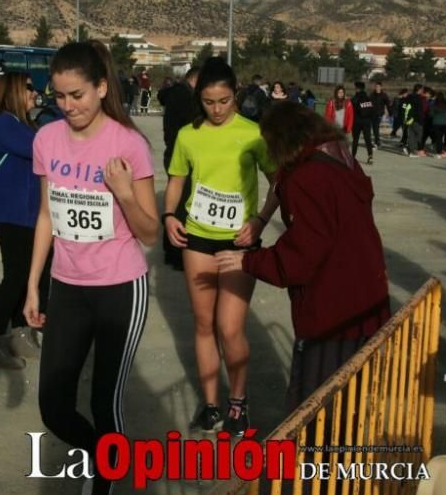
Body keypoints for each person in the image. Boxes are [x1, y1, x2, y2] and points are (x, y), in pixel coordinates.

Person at [24, 41, 158, 495]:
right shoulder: (46, 141)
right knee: (54, 405)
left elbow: (150, 232)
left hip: (122, 288)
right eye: (59, 96)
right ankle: (107, 457)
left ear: (101, 88)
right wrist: (33, 283)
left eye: (77, 94)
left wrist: (123, 192)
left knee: (106, 399)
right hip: (68, 287)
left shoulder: (128, 144)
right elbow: (46, 216)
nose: (68, 106)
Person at [217, 101, 390, 411]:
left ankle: (314, 460)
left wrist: (248, 261)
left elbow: (301, 258)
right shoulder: (340, 158)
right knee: (355, 403)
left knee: (316, 407)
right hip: (367, 301)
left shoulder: (308, 178)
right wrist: (261, 220)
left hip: (331, 314)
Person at [163, 57, 278, 436]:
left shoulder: (253, 133)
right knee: (202, 324)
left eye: (224, 101)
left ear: (236, 95)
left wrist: (259, 220)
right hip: (196, 239)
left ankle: (238, 403)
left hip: (239, 243)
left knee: (230, 328)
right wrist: (169, 215)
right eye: (209, 102)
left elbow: (279, 182)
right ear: (200, 98)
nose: (216, 109)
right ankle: (211, 405)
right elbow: (177, 180)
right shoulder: (188, 135)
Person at [0, 72, 50, 369]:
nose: (35, 93)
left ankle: (21, 336)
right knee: (15, 277)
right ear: (13, 92)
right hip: (11, 214)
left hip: (27, 213)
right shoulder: (3, 124)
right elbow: (41, 148)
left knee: (26, 277)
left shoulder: (22, 124)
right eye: (30, 89)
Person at [159, 67, 199, 270]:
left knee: (176, 203)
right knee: (181, 205)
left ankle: (171, 249)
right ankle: (176, 251)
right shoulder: (184, 96)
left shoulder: (175, 93)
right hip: (179, 153)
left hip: (172, 150)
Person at [350, 81, 375, 164]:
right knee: (368, 139)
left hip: (357, 122)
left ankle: (353, 157)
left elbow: (351, 111)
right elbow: (372, 110)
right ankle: (370, 156)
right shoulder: (368, 98)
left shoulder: (354, 99)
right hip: (367, 122)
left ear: (357, 89)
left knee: (355, 140)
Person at [370, 81, 391, 147]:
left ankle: (377, 141)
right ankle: (377, 140)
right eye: (376, 87)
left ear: (381, 87)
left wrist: (389, 111)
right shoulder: (372, 95)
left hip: (379, 113)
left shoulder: (384, 95)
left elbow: (388, 103)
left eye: (378, 87)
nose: (377, 88)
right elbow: (368, 103)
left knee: (376, 126)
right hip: (372, 113)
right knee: (374, 127)